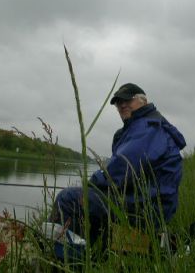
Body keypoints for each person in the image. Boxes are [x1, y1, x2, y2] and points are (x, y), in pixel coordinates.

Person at [49, 83, 186, 244]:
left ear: (144, 101)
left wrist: (92, 184)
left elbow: (123, 167)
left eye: (128, 100)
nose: (122, 105)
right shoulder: (141, 126)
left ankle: (71, 255)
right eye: (118, 102)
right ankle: (92, 245)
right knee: (86, 199)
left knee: (68, 198)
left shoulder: (148, 127)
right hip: (145, 200)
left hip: (149, 208)